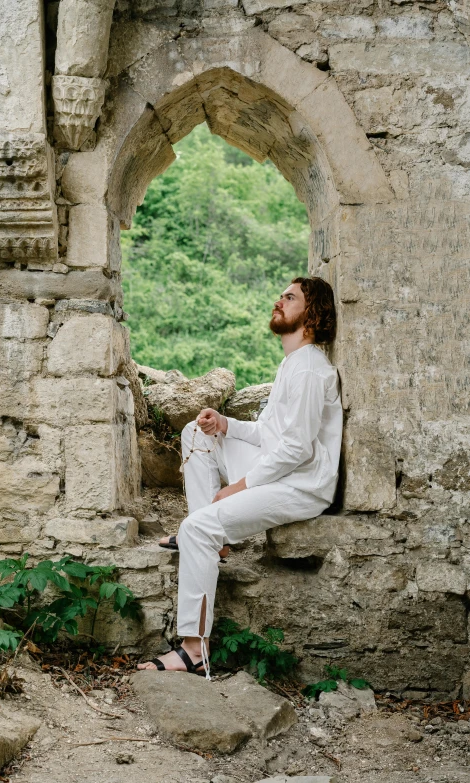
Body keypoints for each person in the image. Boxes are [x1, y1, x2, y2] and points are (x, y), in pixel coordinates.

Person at [137, 276, 343, 677]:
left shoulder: (310, 371)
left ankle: (194, 651)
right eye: (281, 295)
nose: (278, 301)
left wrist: (238, 487)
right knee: (197, 432)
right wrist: (226, 424)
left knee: (196, 529)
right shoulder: (291, 363)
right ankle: (214, 543)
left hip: (302, 485)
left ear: (312, 314)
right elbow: (269, 435)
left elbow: (297, 450)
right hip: (280, 467)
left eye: (290, 297)